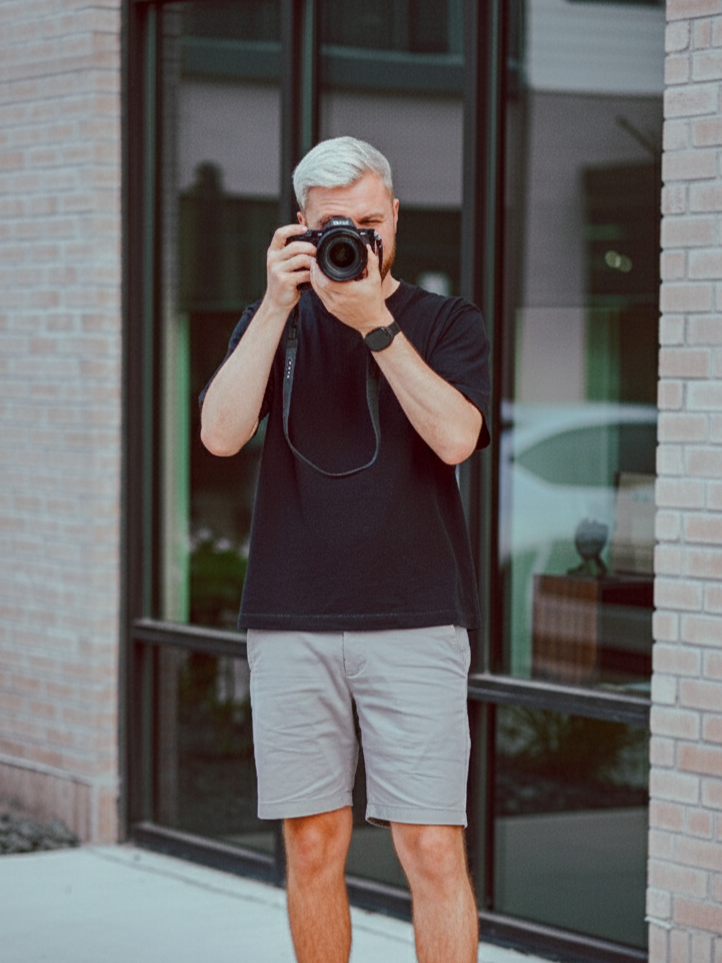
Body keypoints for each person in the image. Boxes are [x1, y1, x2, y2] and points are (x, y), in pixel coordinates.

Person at [200, 136, 490, 963]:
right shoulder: (274, 320)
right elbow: (220, 435)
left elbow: (458, 438)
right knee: (313, 844)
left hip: (417, 616)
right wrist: (274, 305)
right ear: (301, 226)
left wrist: (378, 327)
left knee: (432, 849)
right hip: (292, 618)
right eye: (336, 225)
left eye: (369, 221)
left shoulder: (443, 320)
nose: (355, 238)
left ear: (394, 216)